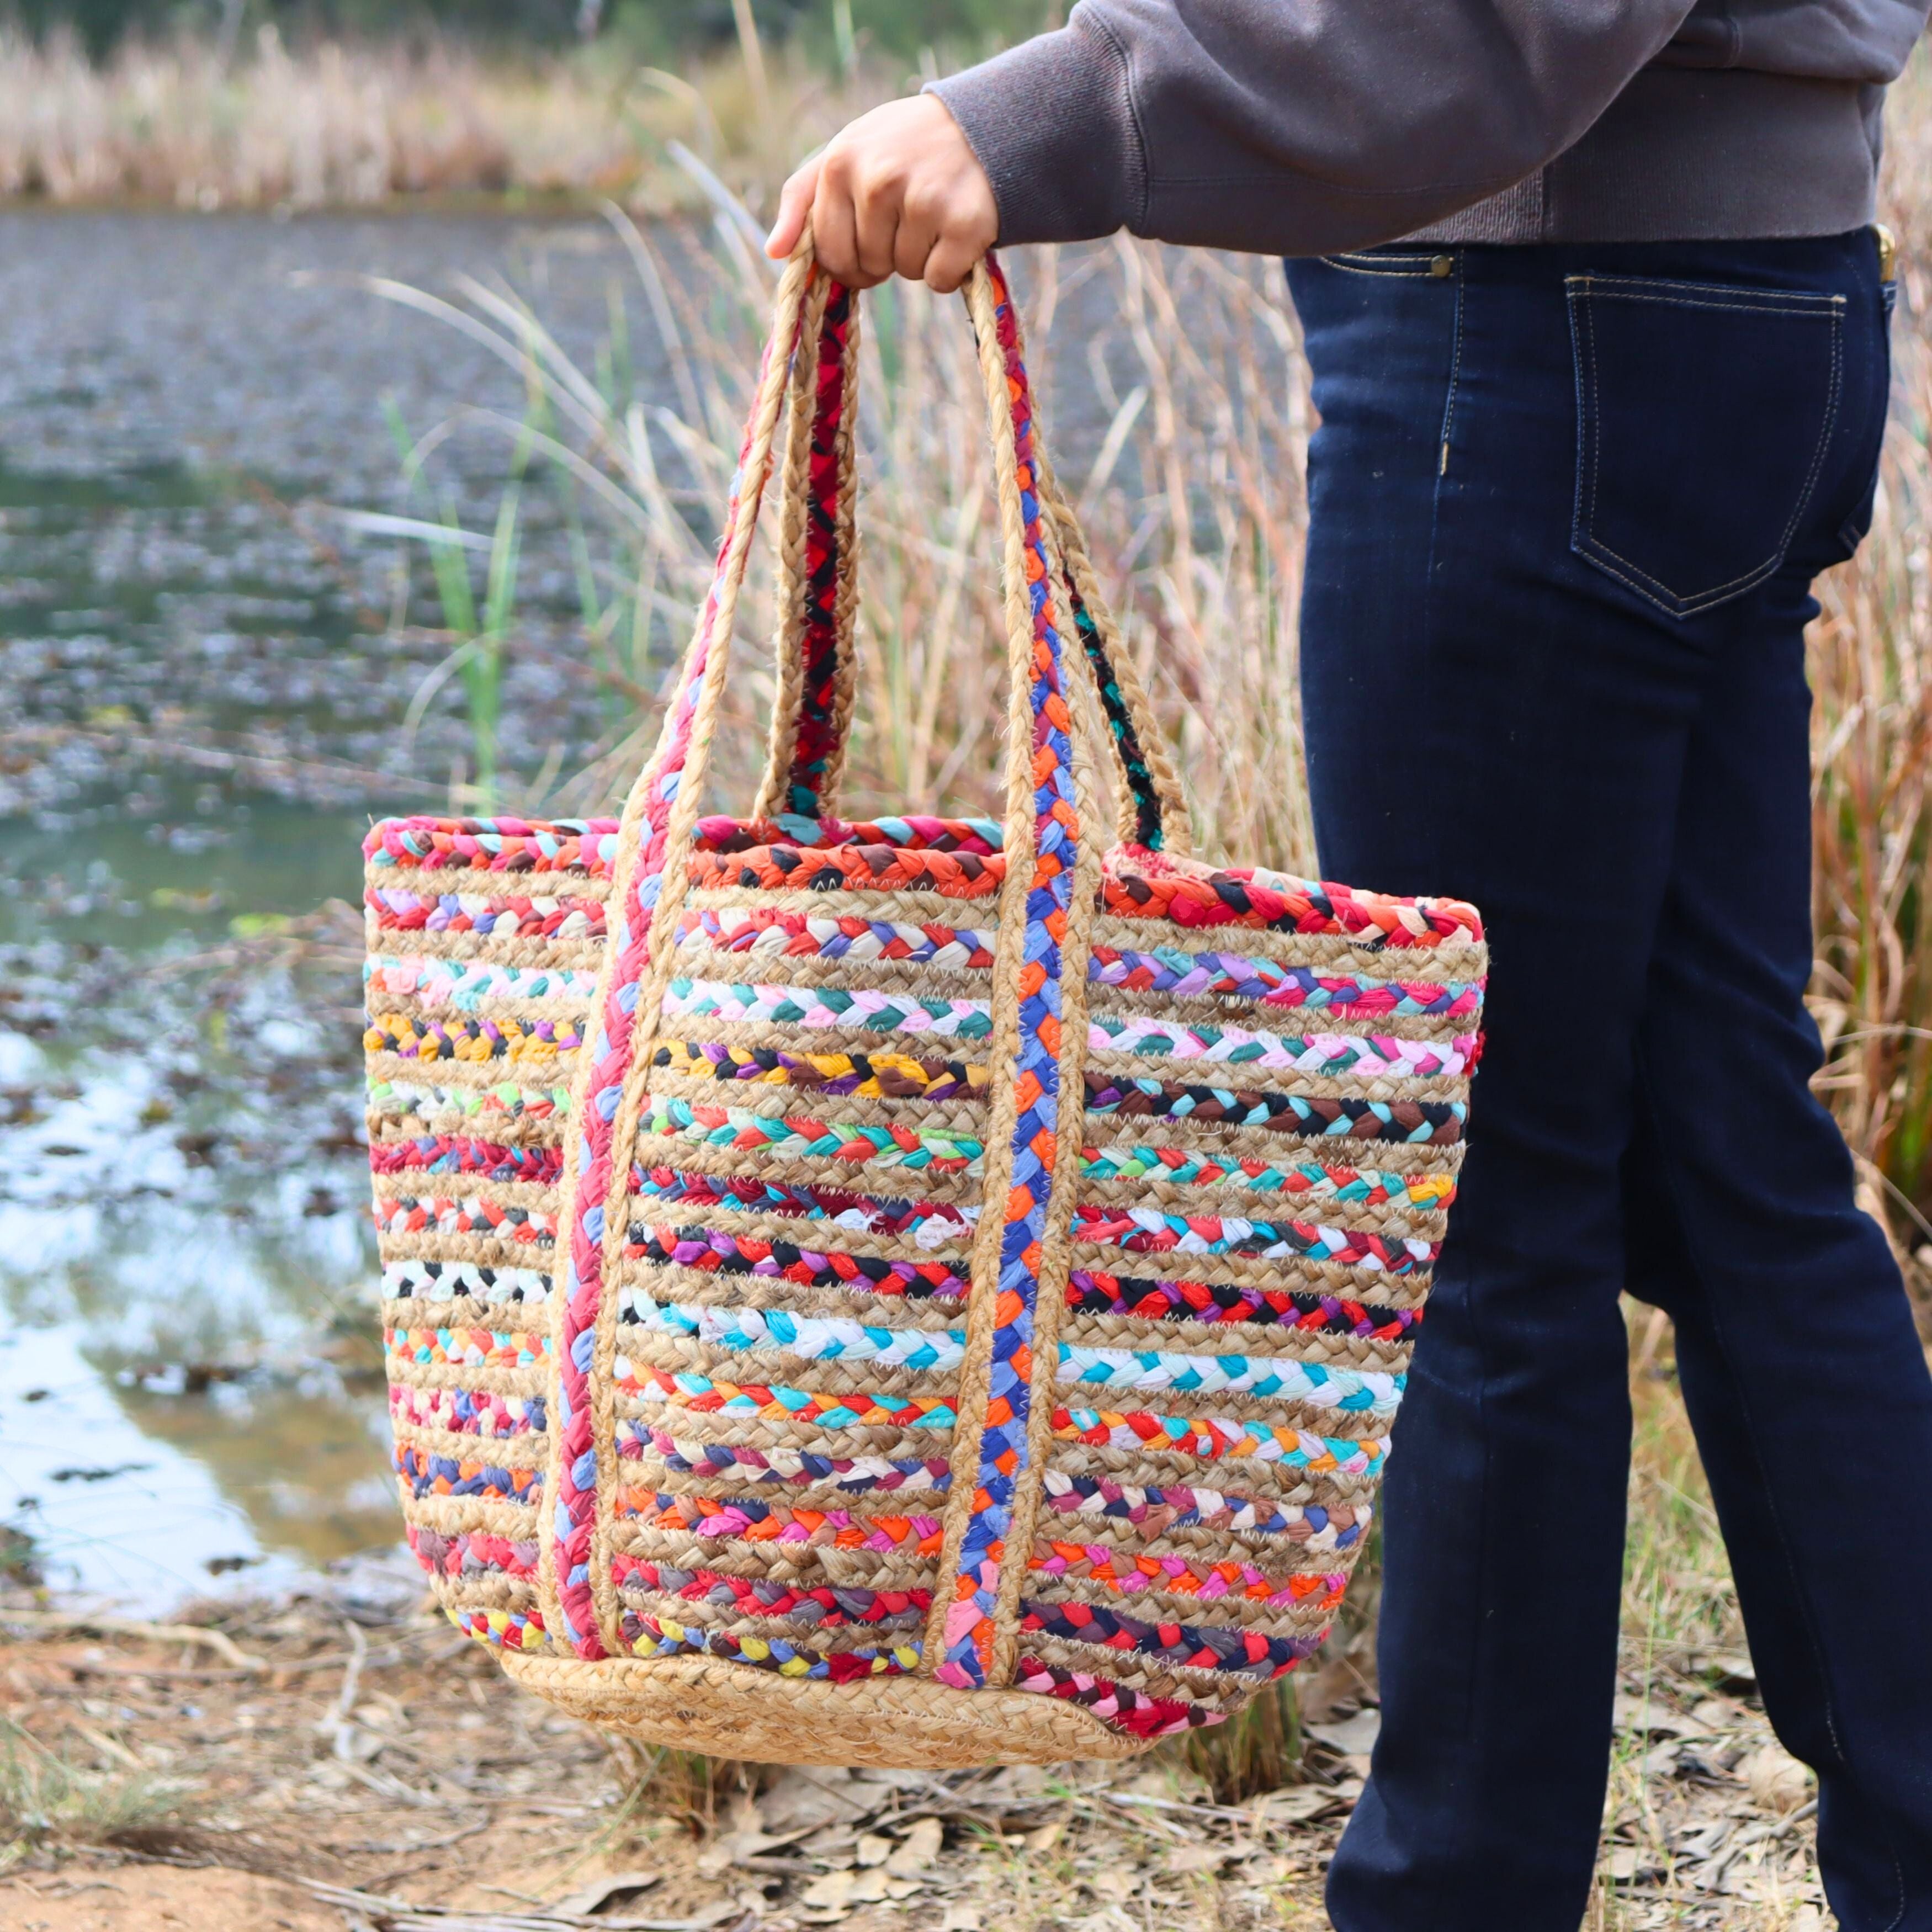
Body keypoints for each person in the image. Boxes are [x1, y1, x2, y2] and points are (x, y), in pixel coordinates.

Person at [766, 6, 1932, 1928]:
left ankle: (1449, 1894)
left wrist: (1045, 119)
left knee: (1486, 1201)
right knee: (1721, 1150)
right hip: (1725, 313)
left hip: (1541, 333)